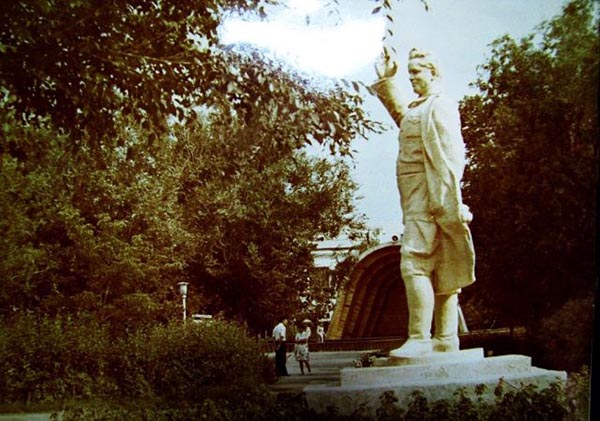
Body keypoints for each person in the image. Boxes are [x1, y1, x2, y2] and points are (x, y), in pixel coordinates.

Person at [371, 47, 476, 358]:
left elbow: (453, 155)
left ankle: (419, 338)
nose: (412, 78)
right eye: (409, 73)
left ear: (433, 72)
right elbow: (405, 118)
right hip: (416, 195)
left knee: (413, 263)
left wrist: (450, 200)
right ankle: (446, 339)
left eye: (416, 72)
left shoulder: (440, 106)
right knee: (443, 264)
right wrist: (388, 81)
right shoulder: (419, 109)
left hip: (430, 198)